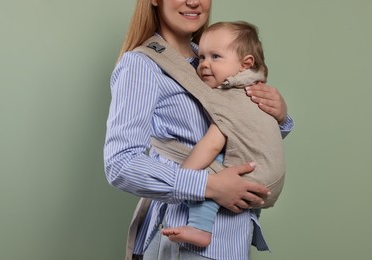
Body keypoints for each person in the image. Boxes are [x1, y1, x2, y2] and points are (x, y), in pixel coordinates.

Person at [103, 0, 294, 259]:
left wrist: (280, 117)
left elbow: (240, 138)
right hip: (184, 239)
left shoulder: (217, 55)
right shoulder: (143, 65)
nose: (193, 1)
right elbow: (120, 164)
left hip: (233, 238)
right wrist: (209, 185)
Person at [160, 20, 286, 248]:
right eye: (201, 58)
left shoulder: (229, 100)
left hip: (256, 178)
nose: (205, 64)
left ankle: (200, 228)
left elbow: (211, 144)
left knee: (211, 168)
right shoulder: (254, 90)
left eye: (215, 57)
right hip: (268, 176)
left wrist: (185, 176)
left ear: (245, 64)